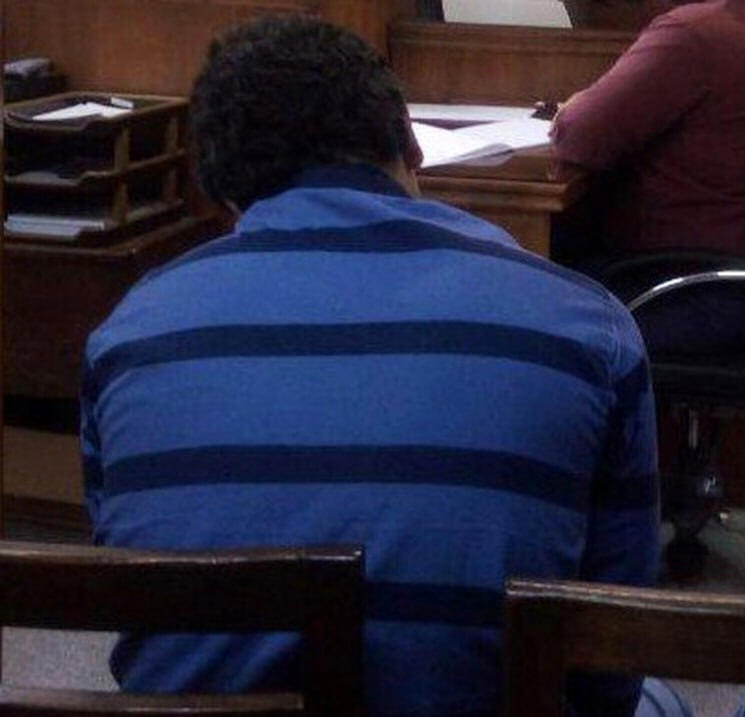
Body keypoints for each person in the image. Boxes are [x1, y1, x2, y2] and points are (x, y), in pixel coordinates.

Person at [80, 16, 670, 717]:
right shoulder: (587, 327)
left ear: (224, 194)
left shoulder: (128, 335)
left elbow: (133, 600)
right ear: (410, 145)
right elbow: (612, 655)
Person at [552, 0, 745, 354]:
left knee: (521, 297)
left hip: (683, 289)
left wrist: (575, 107)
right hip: (728, 280)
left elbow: (577, 135)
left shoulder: (696, 32)